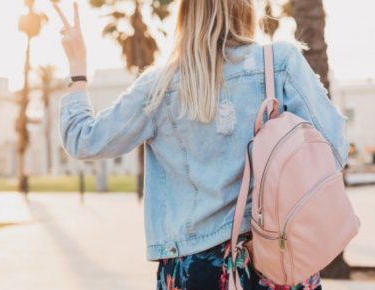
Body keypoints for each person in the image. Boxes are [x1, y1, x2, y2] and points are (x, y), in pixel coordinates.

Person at [55, 1, 348, 289]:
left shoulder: (159, 85)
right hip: (279, 257)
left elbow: (83, 140)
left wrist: (78, 71)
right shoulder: (279, 64)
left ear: (185, 14)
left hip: (193, 268)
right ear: (244, 7)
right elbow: (334, 150)